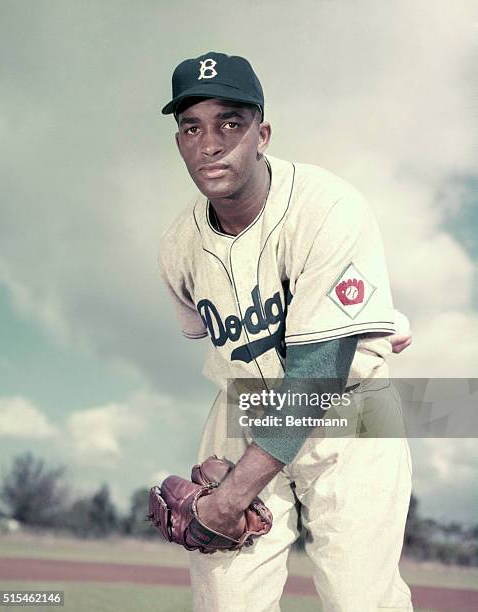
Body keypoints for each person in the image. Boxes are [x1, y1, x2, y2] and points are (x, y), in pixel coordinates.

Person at [159, 51, 413, 612]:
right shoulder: (178, 246)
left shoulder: (329, 207)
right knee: (226, 602)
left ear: (262, 132)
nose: (210, 143)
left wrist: (231, 496)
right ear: (179, 142)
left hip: (351, 413)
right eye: (191, 127)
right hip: (245, 406)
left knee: (359, 601)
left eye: (230, 122)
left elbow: (318, 374)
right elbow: (230, 340)